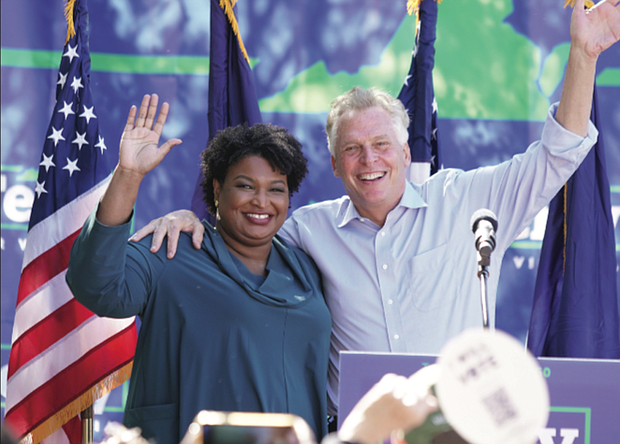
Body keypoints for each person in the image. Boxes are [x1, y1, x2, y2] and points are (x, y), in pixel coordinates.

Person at [131, 0, 620, 422]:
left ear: (407, 153)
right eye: (354, 149)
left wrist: (583, 54)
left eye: (383, 144)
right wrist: (193, 218)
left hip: (455, 427)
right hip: (354, 431)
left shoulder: (469, 202)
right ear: (335, 164)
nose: (370, 161)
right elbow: (245, 231)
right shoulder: (306, 231)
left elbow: (559, 152)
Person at [65, 96, 332, 443]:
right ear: (218, 189)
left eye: (276, 190)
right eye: (246, 186)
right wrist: (128, 176)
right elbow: (95, 285)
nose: (262, 202)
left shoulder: (306, 269)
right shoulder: (170, 249)